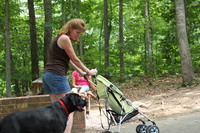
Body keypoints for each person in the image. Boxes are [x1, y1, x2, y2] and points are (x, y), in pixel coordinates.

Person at [42, 18, 97, 133]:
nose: (78, 35)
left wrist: (81, 72)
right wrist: (88, 71)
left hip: (48, 75)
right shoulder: (64, 38)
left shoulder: (59, 37)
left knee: (57, 110)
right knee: (68, 110)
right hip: (56, 75)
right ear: (70, 29)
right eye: (77, 32)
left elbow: (68, 61)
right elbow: (75, 59)